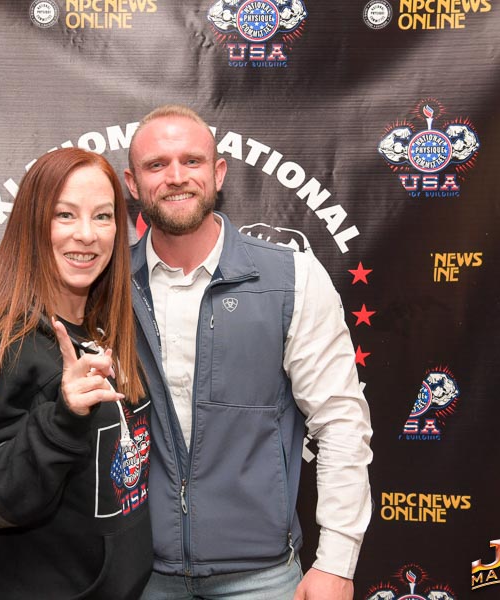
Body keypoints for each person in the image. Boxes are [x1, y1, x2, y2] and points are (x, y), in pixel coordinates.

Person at [123, 105, 373, 600]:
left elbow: (340, 422)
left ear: (218, 173)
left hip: (262, 578)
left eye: (192, 161)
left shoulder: (292, 277)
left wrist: (337, 563)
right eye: (156, 165)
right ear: (133, 184)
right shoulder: (108, 287)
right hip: (140, 575)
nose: (176, 176)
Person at [0, 147, 152, 599]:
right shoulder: (5, 340)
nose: (86, 234)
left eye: (102, 216)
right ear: (33, 223)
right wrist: (62, 419)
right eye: (65, 215)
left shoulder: (104, 323)